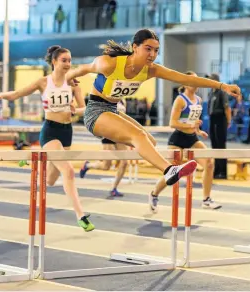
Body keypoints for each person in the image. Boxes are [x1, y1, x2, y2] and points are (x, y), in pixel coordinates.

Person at [65, 28, 240, 193]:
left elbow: (187, 79)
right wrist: (69, 80)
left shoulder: (151, 70)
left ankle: (134, 153)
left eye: (156, 50)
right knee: (139, 136)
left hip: (113, 110)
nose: (153, 55)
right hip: (95, 111)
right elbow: (82, 69)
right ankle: (169, 170)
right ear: (135, 47)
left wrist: (222, 86)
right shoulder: (108, 64)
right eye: (148, 49)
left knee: (150, 142)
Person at [0, 45, 94, 232]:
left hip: (66, 131)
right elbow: (17, 94)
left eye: (70, 60)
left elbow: (83, 108)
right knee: (68, 171)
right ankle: (80, 215)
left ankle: (32, 158)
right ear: (54, 62)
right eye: (64, 60)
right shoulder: (43, 82)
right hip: (50, 131)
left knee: (51, 180)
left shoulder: (74, 84)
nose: (68, 64)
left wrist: (74, 110)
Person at [148, 71, 221, 213]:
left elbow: (192, 121)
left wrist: (198, 130)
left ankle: (206, 199)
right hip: (177, 139)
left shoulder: (199, 100)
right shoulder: (180, 100)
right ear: (186, 83)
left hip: (192, 139)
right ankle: (154, 193)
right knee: (173, 171)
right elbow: (172, 123)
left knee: (210, 163)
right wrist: (190, 126)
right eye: (193, 80)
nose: (197, 83)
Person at [80, 99, 128, 197]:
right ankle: (88, 165)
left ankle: (114, 188)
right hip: (108, 133)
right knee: (106, 166)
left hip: (119, 133)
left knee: (125, 162)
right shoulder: (106, 97)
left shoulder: (123, 100)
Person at [207, 73, 232, 179]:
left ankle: (223, 172)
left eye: (211, 80)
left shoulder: (222, 92)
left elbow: (227, 107)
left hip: (220, 119)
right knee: (214, 145)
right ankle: (216, 170)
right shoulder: (211, 93)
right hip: (212, 119)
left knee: (221, 145)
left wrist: (228, 121)